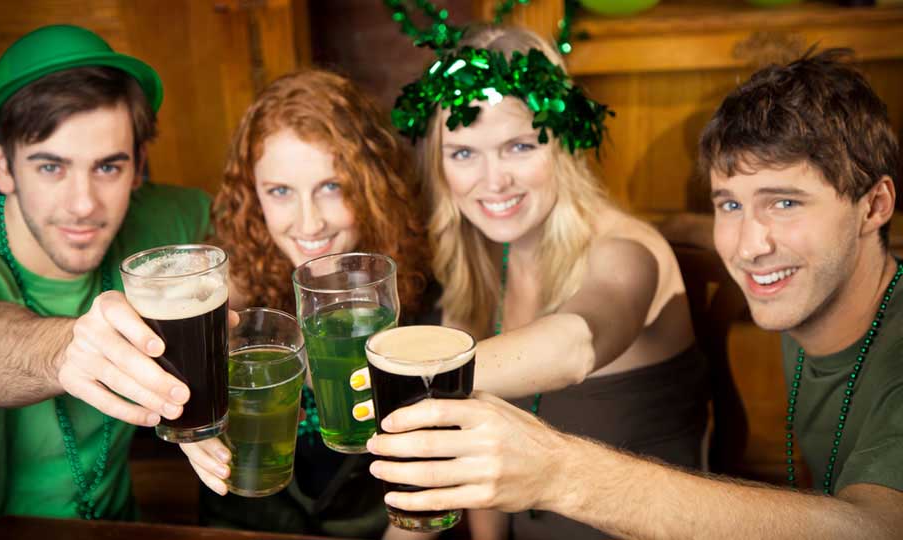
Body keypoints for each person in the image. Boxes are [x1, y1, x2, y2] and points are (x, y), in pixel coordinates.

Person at [367, 48, 903, 538]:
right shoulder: (806, 296)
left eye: (784, 203)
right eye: (730, 206)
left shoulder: (628, 252)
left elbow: (876, 531)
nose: (749, 247)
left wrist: (406, 376)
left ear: (875, 206)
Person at [386, 24, 710, 539]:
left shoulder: (627, 251)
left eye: (519, 146)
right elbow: (466, 459)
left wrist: (408, 372)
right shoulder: (483, 267)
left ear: (562, 143)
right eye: (464, 153)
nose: (493, 181)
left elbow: (576, 347)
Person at [0, 25, 215, 539]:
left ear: (137, 169)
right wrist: (68, 350)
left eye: (108, 167)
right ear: (2, 166)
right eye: (51, 167)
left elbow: (256, 230)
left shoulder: (165, 226)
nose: (84, 204)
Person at [179, 69, 433, 539]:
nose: (309, 222)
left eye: (331, 187)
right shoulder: (230, 291)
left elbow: (427, 498)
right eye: (280, 192)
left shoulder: (418, 297)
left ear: (371, 183)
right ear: (253, 194)